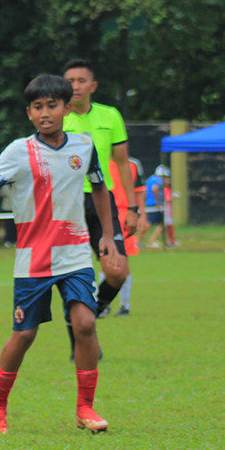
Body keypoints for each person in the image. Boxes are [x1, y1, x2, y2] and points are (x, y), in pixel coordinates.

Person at [0, 75, 120, 435]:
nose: (45, 112)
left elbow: (101, 189)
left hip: (74, 255)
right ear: (29, 113)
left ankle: (85, 408)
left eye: (52, 105)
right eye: (37, 107)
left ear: (67, 109)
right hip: (33, 259)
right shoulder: (18, 150)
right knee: (24, 335)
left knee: (85, 323)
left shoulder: (84, 146)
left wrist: (108, 237)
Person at [62, 59, 138, 351]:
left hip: (102, 202)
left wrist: (132, 207)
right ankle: (79, 347)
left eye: (81, 80)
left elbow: (121, 163)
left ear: (92, 86)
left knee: (117, 271)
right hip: (67, 205)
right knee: (74, 277)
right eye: (70, 80)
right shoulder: (57, 118)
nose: (75, 86)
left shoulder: (110, 115)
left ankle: (87, 315)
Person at [99, 157, 146, 317]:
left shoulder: (131, 165)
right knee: (106, 262)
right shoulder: (98, 162)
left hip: (126, 217)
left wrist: (141, 215)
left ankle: (124, 305)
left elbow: (139, 191)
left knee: (123, 262)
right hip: (104, 215)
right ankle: (104, 305)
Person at [142, 166, 169, 248]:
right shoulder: (158, 180)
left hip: (149, 203)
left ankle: (152, 240)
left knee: (162, 223)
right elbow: (155, 189)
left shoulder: (150, 179)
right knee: (149, 223)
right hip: (153, 204)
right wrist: (158, 201)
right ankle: (137, 240)